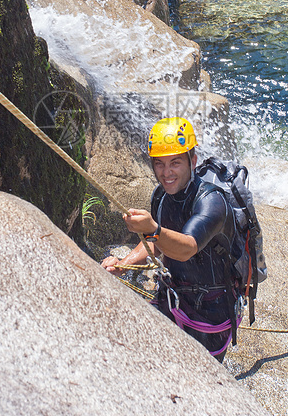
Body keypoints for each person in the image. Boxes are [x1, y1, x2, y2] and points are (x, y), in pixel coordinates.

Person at [101, 116, 241, 362]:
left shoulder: (211, 202)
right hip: (172, 295)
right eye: (159, 164)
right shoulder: (161, 196)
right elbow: (157, 243)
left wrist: (152, 229)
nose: (166, 173)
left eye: (175, 162)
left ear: (193, 161)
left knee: (201, 378)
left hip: (211, 311)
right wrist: (125, 263)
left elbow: (187, 247)